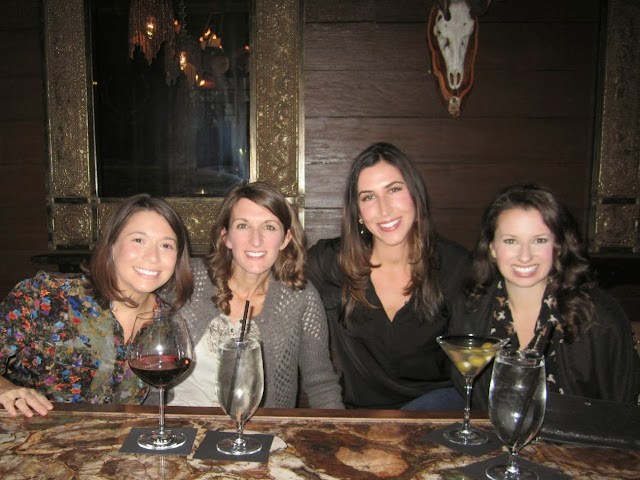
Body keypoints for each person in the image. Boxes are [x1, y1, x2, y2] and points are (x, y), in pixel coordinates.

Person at [307, 142, 471, 410]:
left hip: (436, 413)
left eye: (394, 189)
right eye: (368, 197)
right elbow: (272, 283)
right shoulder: (331, 261)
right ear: (358, 211)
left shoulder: (456, 265)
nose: (384, 210)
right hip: (362, 419)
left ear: (415, 193)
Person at [0, 194, 194, 417]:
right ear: (111, 244)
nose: (153, 257)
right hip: (32, 434)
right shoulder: (46, 295)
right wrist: (5, 389)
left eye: (167, 245)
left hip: (117, 438)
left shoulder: (164, 322)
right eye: (139, 240)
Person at [449, 184, 640, 409]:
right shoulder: (470, 309)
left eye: (539, 240)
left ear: (558, 246)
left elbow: (623, 407)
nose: (525, 256)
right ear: (492, 248)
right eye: (511, 241)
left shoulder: (598, 316)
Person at [169, 182, 343, 409]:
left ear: (285, 238)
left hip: (258, 428)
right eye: (243, 226)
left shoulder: (300, 299)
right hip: (178, 423)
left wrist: (335, 429)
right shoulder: (189, 279)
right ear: (226, 236)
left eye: (269, 227)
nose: (256, 240)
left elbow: (321, 384)